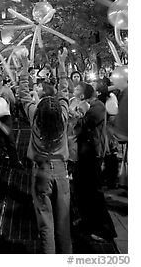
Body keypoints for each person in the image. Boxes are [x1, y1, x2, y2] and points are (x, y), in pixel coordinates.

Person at [18, 48, 72, 254]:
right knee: (63, 222)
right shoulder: (63, 119)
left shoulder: (34, 118)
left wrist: (24, 68)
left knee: (45, 223)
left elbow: (24, 94)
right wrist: (61, 63)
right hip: (61, 172)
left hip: (41, 172)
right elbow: (64, 92)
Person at [74, 83, 116, 241]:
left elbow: (83, 125)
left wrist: (78, 114)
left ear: (84, 94)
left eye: (77, 90)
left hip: (92, 155)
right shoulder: (88, 105)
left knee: (94, 192)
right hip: (83, 154)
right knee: (81, 189)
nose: (74, 91)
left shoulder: (97, 107)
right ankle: (86, 220)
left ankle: (105, 230)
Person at [0, 74, 23, 169]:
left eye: (1, 80)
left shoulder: (7, 90)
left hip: (6, 117)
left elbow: (14, 101)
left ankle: (14, 161)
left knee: (10, 140)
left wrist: (7, 98)